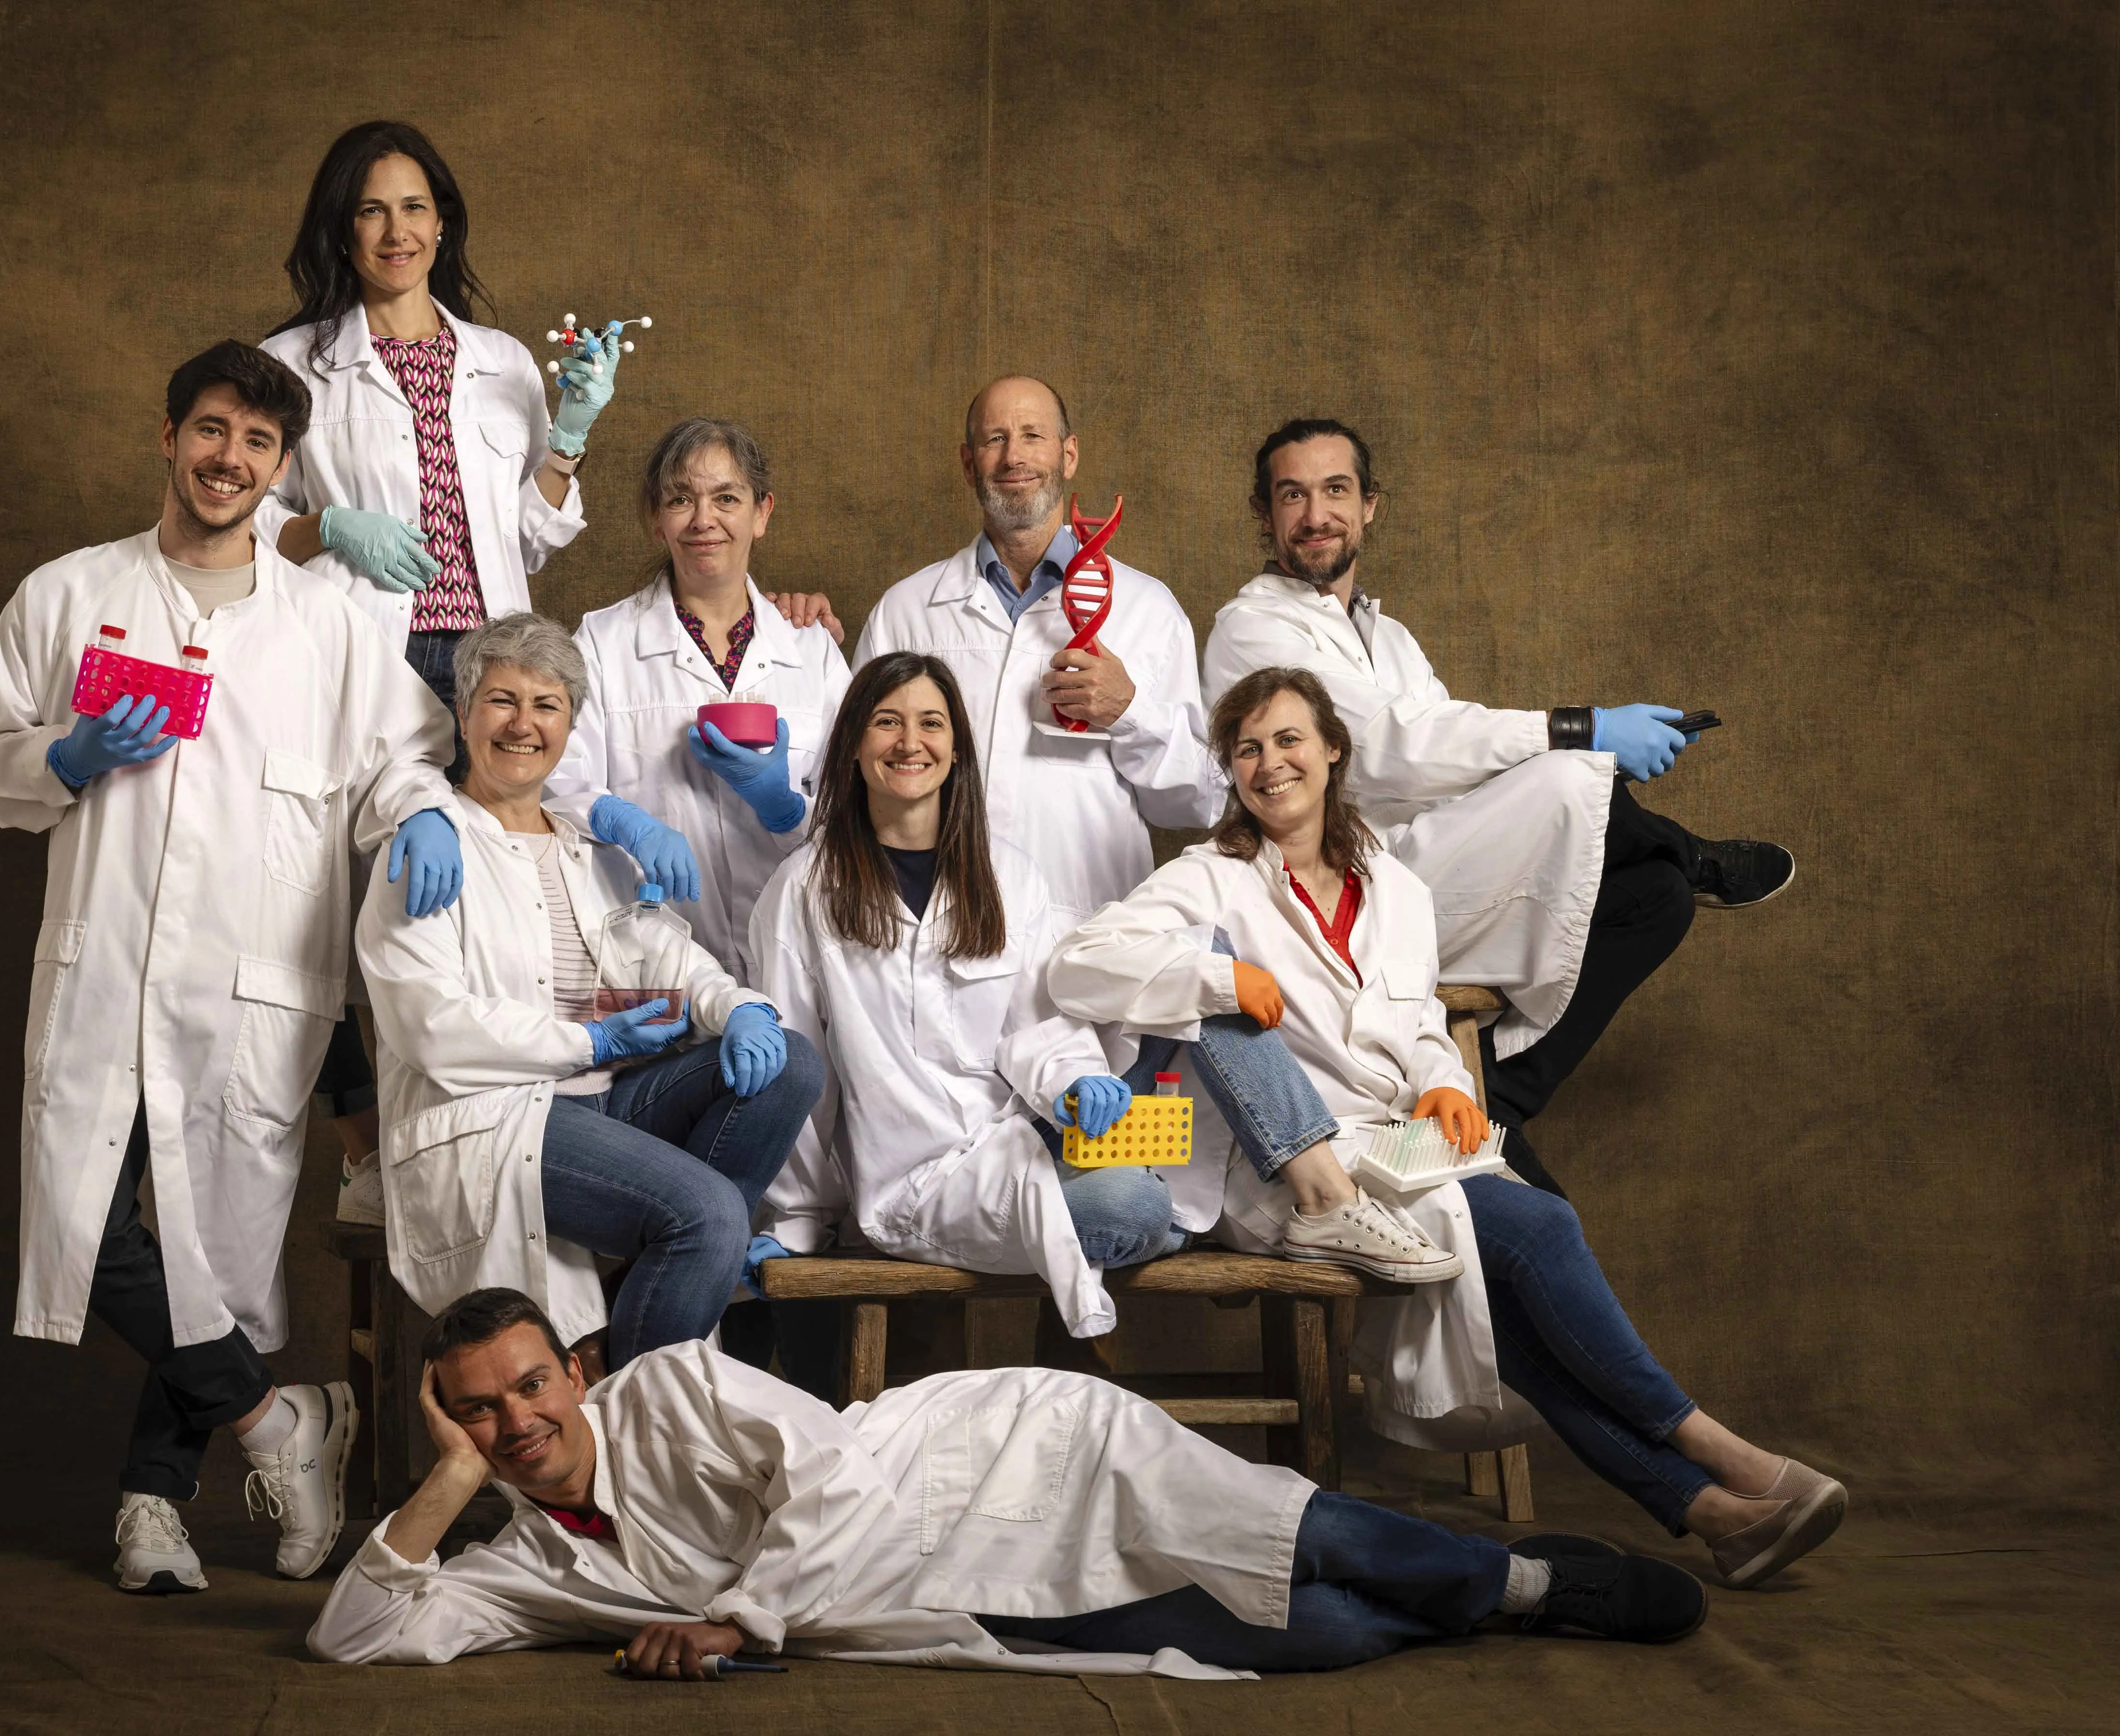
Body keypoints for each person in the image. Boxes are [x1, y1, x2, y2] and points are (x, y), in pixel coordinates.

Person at [1048, 669, 1848, 1590]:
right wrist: (1221, 982)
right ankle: (1719, 1446)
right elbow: (1081, 963)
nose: (1272, 764)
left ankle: (1713, 1513)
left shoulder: (1395, 885)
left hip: (1400, 1142)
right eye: (1248, 749)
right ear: (1230, 771)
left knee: (1509, 1305)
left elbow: (1422, 1016)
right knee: (1541, 1227)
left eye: (1290, 740)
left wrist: (1441, 1082)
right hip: (1295, 1166)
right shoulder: (1208, 878)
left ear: (1334, 748)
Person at [0, 340, 468, 1594]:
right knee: (90, 1222)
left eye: (257, 443)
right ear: (169, 436)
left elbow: (407, 748)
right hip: (105, 968)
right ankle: (281, 1420)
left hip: (251, 984)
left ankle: (153, 1504)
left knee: (208, 1248)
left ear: (283, 468)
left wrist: (425, 813)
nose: (229, 458)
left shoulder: (327, 627)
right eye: (211, 431)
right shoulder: (68, 594)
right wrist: (62, 760)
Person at [307, 1287, 1710, 1673]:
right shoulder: (522, 1570)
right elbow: (356, 1634)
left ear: (577, 1366)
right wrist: (437, 1483)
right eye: (479, 1414)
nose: (517, 1424)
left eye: (530, 1387)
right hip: (955, 1606)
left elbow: (835, 1480)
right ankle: (1483, 1607)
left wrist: (740, 1621)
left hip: (992, 1460)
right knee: (1322, 1632)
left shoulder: (669, 1382)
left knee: (1267, 1522)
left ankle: (1530, 1581)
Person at [252, 120, 688, 1223]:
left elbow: (532, 537)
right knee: (349, 902)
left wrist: (571, 434)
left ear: (442, 222)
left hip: (491, 651)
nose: (395, 230)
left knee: (496, 898)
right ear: (340, 231)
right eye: (370, 209)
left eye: (413, 208)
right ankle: (364, 1148)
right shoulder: (294, 362)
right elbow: (242, 512)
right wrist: (324, 528)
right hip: (366, 656)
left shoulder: (500, 362)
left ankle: (503, 1128)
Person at [1201, 421, 1796, 1190]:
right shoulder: (1251, 627)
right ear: (1264, 513)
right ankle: (1694, 851)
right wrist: (1581, 731)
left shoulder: (1393, 641)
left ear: (1370, 505)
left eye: (1335, 490)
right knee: (1562, 777)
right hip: (1340, 901)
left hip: (1429, 875)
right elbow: (1386, 745)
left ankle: (1509, 1094)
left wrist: (1566, 767)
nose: (1316, 513)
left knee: (1658, 900)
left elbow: (1454, 763)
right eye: (1293, 495)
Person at [352, 613, 825, 1370]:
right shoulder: (429, 844)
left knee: (792, 1062)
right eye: (502, 700)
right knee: (706, 1212)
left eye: (547, 706)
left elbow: (663, 952)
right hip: (494, 1114)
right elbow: (425, 1025)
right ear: (465, 715)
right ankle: (645, 1420)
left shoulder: (587, 850)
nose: (523, 724)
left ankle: (671, 1290)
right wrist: (590, 1040)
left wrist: (737, 1007)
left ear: (571, 726)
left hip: (604, 1102)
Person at [747, 653, 1177, 1340]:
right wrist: (798, 1215)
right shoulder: (803, 889)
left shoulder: (1009, 875)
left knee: (1160, 1155)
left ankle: (1159, 1210)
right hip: (916, 1182)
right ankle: (1156, 1223)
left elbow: (1040, 1024)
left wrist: (1076, 1080)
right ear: (853, 745)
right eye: (886, 722)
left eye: (930, 724)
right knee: (1128, 1206)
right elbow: (802, 1069)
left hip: (1024, 1132)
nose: (909, 742)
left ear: (957, 750)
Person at [785, 377, 1221, 914]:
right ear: (969, 464)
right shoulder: (906, 611)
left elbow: (1197, 803)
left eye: (1033, 435)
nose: (1014, 456)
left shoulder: (1147, 610)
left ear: (1068, 455)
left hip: (1090, 937)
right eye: (995, 440)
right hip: (937, 929)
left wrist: (1129, 713)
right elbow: (850, 778)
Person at [546, 420, 851, 979]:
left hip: (797, 960)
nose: (704, 520)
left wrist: (787, 811)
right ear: (657, 520)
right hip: (653, 959)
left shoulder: (813, 651)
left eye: (727, 498)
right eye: (680, 500)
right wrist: (622, 820)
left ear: (762, 513)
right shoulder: (601, 643)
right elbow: (553, 785)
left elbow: (859, 810)